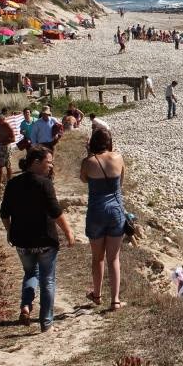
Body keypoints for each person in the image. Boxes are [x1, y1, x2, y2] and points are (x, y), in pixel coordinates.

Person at [0, 146, 75, 332]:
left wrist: (10, 231)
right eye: (48, 162)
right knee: (47, 280)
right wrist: (68, 232)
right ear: (36, 162)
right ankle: (46, 323)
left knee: (30, 273)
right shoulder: (44, 184)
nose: (51, 166)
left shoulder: (13, 183)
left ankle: (26, 305)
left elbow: (4, 213)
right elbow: (55, 212)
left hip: (22, 241)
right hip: (44, 240)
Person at [80, 129, 127, 310]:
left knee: (97, 258)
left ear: (92, 142)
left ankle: (97, 295)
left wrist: (89, 155)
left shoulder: (88, 162)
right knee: (113, 258)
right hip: (116, 211)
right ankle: (115, 300)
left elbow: (83, 179)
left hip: (96, 212)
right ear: (109, 142)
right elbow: (120, 183)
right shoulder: (118, 157)